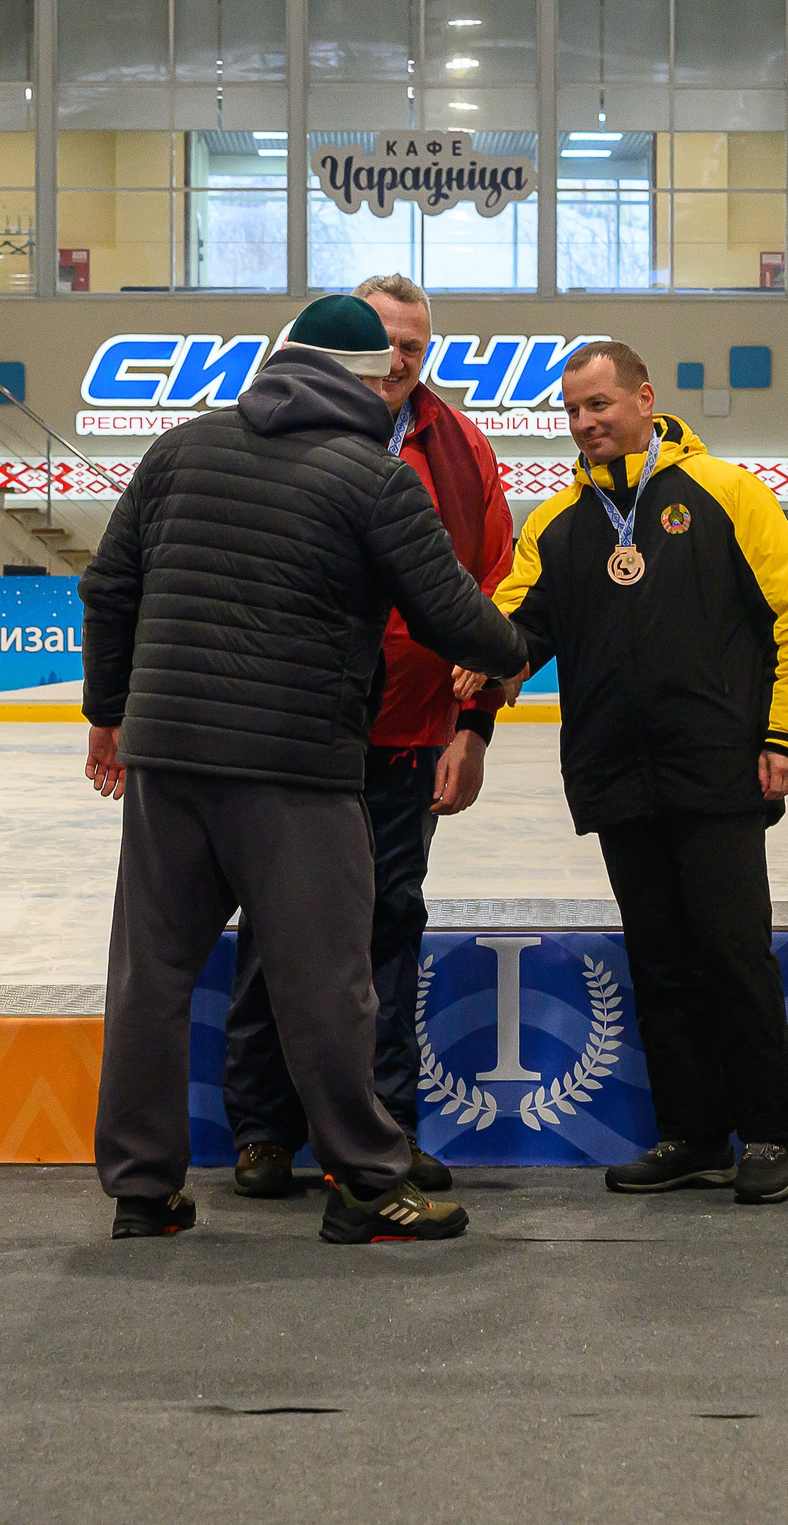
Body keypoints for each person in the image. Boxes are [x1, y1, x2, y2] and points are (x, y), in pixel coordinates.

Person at [79, 294, 526, 1245]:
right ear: (367, 381)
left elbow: (110, 586)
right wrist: (516, 645)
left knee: (149, 976)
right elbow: (455, 613)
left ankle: (142, 1188)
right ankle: (366, 1179)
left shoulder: (179, 450)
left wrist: (107, 715)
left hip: (169, 759)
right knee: (328, 978)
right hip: (296, 768)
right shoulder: (372, 475)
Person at [482, 341, 788, 1205]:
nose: (585, 423)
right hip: (616, 775)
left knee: (732, 954)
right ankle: (694, 1133)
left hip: (716, 773)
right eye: (571, 411)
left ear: (644, 398)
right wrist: (478, 657)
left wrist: (786, 737)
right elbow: (518, 625)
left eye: (599, 404)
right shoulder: (558, 520)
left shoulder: (726, 492)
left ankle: (773, 1133)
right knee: (662, 962)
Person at [223, 272, 516, 1201]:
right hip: (297, 737)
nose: (398, 360)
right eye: (384, 340)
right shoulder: (274, 431)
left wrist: (472, 727)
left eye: (415, 346)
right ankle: (265, 1131)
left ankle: (383, 1131)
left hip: (404, 743)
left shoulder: (463, 448)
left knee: (390, 931)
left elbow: (492, 588)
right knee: (277, 934)